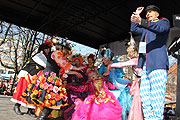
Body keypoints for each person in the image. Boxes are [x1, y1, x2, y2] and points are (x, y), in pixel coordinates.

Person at [21, 40, 85, 120]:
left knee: (51, 100)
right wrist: (77, 69)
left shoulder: (59, 55)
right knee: (51, 100)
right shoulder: (56, 53)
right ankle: (41, 117)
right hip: (49, 78)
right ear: (61, 48)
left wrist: (76, 72)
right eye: (66, 49)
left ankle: (42, 117)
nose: (66, 51)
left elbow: (64, 70)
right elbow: (65, 64)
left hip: (52, 78)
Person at [131, 5, 170, 120]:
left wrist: (142, 21)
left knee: (156, 98)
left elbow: (160, 29)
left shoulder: (164, 22)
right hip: (146, 67)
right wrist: (136, 16)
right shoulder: (146, 28)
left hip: (158, 66)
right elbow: (134, 29)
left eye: (151, 12)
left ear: (157, 14)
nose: (148, 14)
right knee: (144, 97)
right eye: (147, 13)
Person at [10, 40, 52, 116]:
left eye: (49, 49)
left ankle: (30, 109)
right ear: (43, 49)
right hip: (28, 74)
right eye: (47, 48)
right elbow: (45, 64)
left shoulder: (45, 57)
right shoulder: (39, 55)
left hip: (34, 77)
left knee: (32, 92)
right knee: (23, 90)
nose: (48, 50)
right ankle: (16, 106)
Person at [110, 33, 143, 120]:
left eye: (129, 53)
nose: (128, 55)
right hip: (139, 81)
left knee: (137, 101)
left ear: (132, 53)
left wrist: (111, 65)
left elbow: (122, 64)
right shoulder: (140, 59)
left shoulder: (136, 60)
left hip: (141, 82)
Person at [99, 48, 132, 120]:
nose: (103, 61)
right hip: (108, 88)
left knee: (121, 107)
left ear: (108, 59)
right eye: (103, 59)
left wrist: (110, 71)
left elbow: (120, 74)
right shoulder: (103, 65)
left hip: (118, 88)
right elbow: (99, 74)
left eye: (104, 59)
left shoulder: (116, 64)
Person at [63, 54, 88, 120]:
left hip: (80, 89)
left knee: (80, 103)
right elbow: (66, 74)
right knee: (72, 103)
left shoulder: (83, 69)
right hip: (71, 88)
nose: (77, 62)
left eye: (78, 61)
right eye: (76, 61)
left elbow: (85, 78)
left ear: (80, 61)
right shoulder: (72, 68)